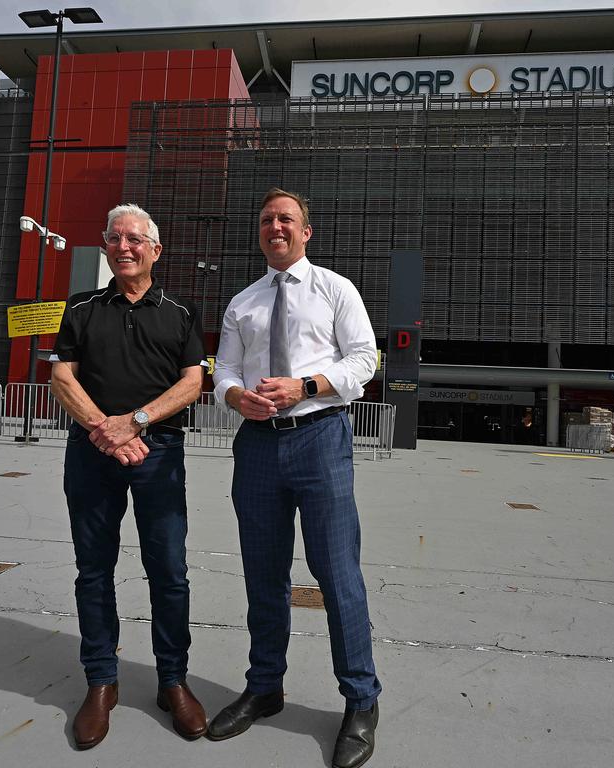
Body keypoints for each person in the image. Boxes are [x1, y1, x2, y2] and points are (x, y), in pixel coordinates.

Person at [210, 189, 382, 768]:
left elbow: (364, 360)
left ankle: (361, 701)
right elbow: (224, 370)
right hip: (257, 445)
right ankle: (265, 687)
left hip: (319, 439)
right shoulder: (243, 303)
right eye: (266, 220)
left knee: (337, 573)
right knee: (263, 573)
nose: (275, 227)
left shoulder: (336, 289)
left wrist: (304, 387)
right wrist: (237, 396)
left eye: (286, 219)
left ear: (307, 232)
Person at [50, 203, 208, 749]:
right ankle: (101, 681)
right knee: (93, 570)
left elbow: (192, 383)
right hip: (92, 452)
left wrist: (135, 423)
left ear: (154, 250)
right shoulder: (82, 307)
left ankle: (172, 680)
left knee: (169, 570)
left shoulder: (182, 313)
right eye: (115, 237)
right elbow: (61, 376)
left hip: (159, 452)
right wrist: (104, 431)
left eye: (135, 239)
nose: (124, 247)